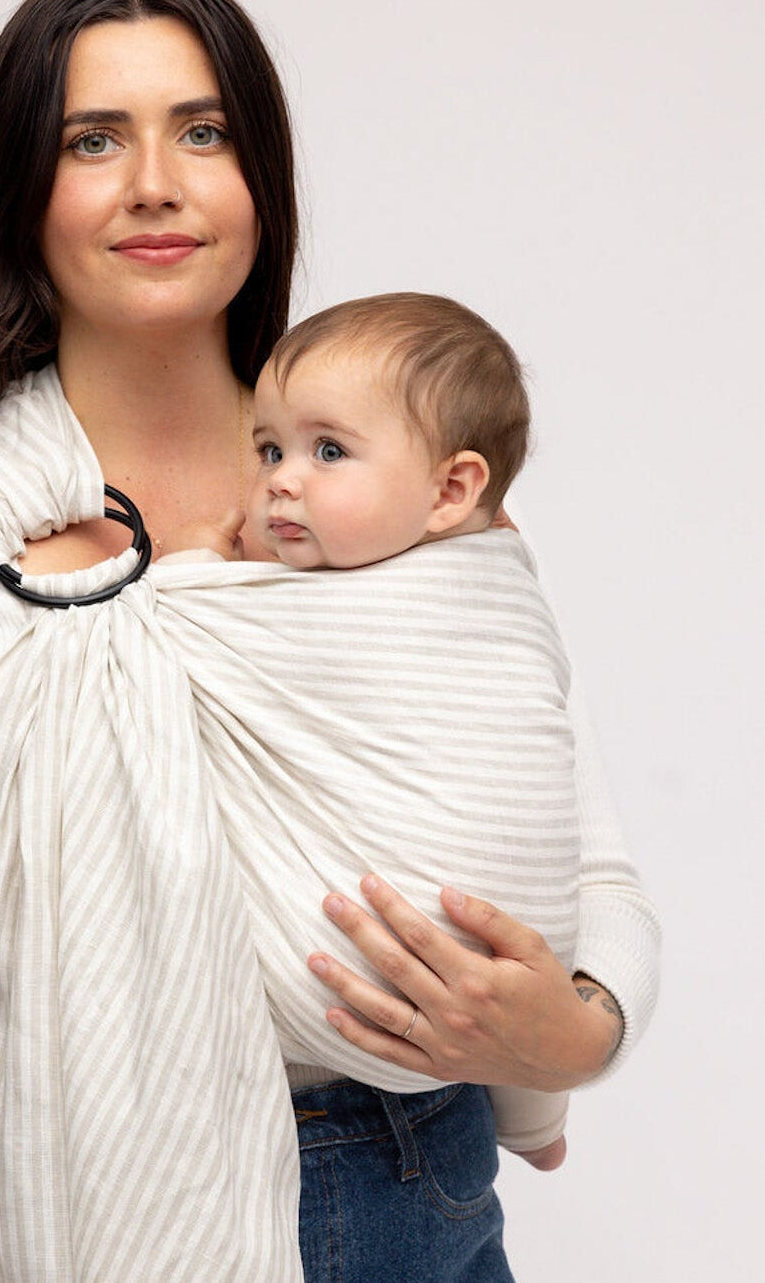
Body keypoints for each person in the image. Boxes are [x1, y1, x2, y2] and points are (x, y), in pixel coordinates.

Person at [0, 0, 660, 1283]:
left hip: (417, 1181)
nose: (154, 183)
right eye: (91, 140)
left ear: (258, 177)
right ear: (19, 188)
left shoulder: (400, 501)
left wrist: (575, 1037)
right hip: (59, 1193)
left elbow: (582, 871)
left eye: (202, 131)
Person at [164, 289, 577, 1171]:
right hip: (507, 994)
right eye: (268, 449)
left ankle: (537, 1114)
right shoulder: (503, 574)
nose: (281, 479)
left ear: (451, 491)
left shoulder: (347, 607)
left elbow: (164, 626)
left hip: (370, 996)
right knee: (518, 928)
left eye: (328, 452)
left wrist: (196, 561)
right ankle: (537, 1125)